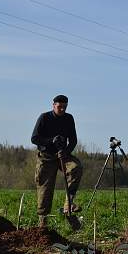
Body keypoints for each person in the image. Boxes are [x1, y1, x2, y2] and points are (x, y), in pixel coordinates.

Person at [31, 95, 83, 227]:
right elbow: (34, 138)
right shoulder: (44, 118)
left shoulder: (69, 118)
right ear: (53, 105)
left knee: (76, 167)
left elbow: (73, 140)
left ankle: (68, 206)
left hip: (63, 155)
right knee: (45, 187)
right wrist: (51, 141)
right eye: (59, 106)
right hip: (46, 157)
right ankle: (43, 221)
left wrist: (65, 151)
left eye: (65, 107)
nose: (62, 109)